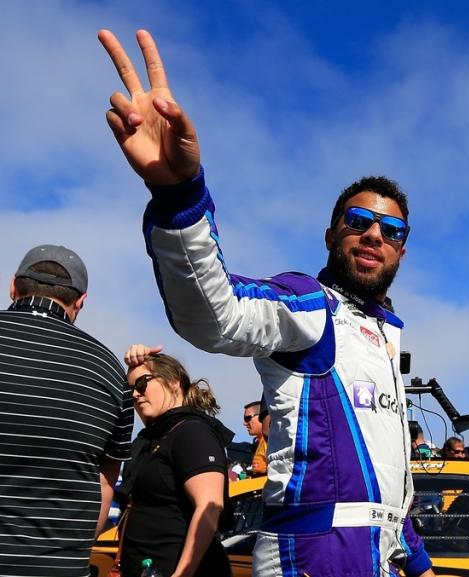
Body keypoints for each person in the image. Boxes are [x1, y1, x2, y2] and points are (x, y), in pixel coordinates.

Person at [99, 29, 433, 577]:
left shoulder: (385, 333)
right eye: (359, 222)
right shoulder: (308, 303)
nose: (375, 235)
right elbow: (216, 313)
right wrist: (178, 195)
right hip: (311, 555)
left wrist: (418, 562)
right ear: (331, 235)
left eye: (392, 229)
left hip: (380, 558)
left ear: (402, 246)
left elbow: (387, 481)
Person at [0, 245, 134, 577]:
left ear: (13, 286)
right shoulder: (110, 371)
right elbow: (106, 483)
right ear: (80, 302)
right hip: (56, 565)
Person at [118, 346, 233, 577]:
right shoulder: (153, 440)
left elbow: (210, 507)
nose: (135, 394)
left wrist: (182, 574)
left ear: (173, 382)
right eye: (130, 389)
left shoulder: (192, 432)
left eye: (142, 384)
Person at [244, 400, 268, 477]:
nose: (244, 423)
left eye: (247, 418)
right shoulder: (258, 444)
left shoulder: (272, 440)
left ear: (261, 416)